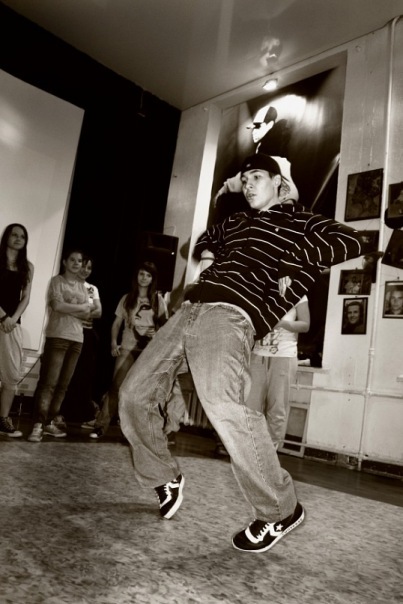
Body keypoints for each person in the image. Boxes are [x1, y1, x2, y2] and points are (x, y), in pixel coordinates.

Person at [118, 153, 370, 554]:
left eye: (256, 177)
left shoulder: (298, 222)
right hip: (190, 309)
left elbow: (352, 241)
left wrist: (293, 264)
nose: (249, 184)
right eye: (245, 179)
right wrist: (210, 253)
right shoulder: (236, 221)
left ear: (279, 182)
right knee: (133, 394)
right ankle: (163, 475)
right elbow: (203, 242)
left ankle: (280, 509)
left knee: (222, 404)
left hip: (231, 316)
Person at [89, 261, 168, 439]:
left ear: (153, 279)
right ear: (136, 276)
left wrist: (157, 333)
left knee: (140, 392)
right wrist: (113, 343)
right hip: (126, 348)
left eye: (148, 275)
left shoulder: (158, 300)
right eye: (141, 274)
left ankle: (134, 432)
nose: (144, 278)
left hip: (148, 351)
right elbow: (116, 324)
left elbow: (166, 327)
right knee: (116, 386)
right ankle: (100, 425)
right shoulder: (127, 298)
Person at [28, 249, 90, 442]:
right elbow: (57, 306)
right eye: (72, 260)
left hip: (77, 339)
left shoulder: (84, 287)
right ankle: (38, 425)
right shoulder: (57, 281)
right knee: (49, 383)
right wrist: (79, 308)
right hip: (57, 337)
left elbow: (88, 313)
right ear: (64, 262)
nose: (76, 263)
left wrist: (70, 308)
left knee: (63, 386)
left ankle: (49, 423)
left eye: (79, 261)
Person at [247, 296, 310, 450]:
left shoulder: (298, 294)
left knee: (277, 408)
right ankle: (250, 453)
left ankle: (268, 455)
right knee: (250, 408)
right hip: (257, 354)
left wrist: (281, 323)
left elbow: (305, 325)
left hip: (284, 355)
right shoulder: (259, 290)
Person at [58, 254, 102, 427]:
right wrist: (84, 311)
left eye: (89, 267)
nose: (85, 270)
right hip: (68, 332)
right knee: (65, 375)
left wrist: (78, 311)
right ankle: (58, 414)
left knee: (84, 376)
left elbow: (99, 312)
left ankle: (84, 415)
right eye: (83, 266)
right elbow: (61, 308)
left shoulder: (92, 289)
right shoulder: (65, 284)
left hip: (87, 335)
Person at [0, 224, 34, 438]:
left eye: (23, 236)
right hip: (3, 319)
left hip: (12, 325)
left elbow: (26, 297)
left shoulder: (27, 267)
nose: (18, 239)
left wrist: (12, 319)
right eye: (14, 235)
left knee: (11, 375)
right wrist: (3, 316)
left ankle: (3, 419)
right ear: (7, 237)